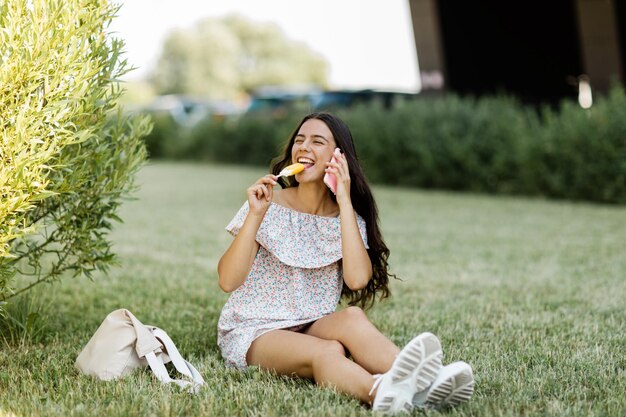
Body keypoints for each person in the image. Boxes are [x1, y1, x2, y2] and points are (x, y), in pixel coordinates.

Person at [217, 112, 474, 414]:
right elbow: (227, 281)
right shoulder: (268, 204)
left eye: (317, 141)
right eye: (299, 141)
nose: (303, 148)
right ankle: (380, 393)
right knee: (328, 350)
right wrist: (255, 215)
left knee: (351, 317)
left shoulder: (347, 218)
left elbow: (357, 279)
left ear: (338, 157)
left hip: (311, 323)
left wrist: (344, 200)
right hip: (256, 330)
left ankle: (426, 384)